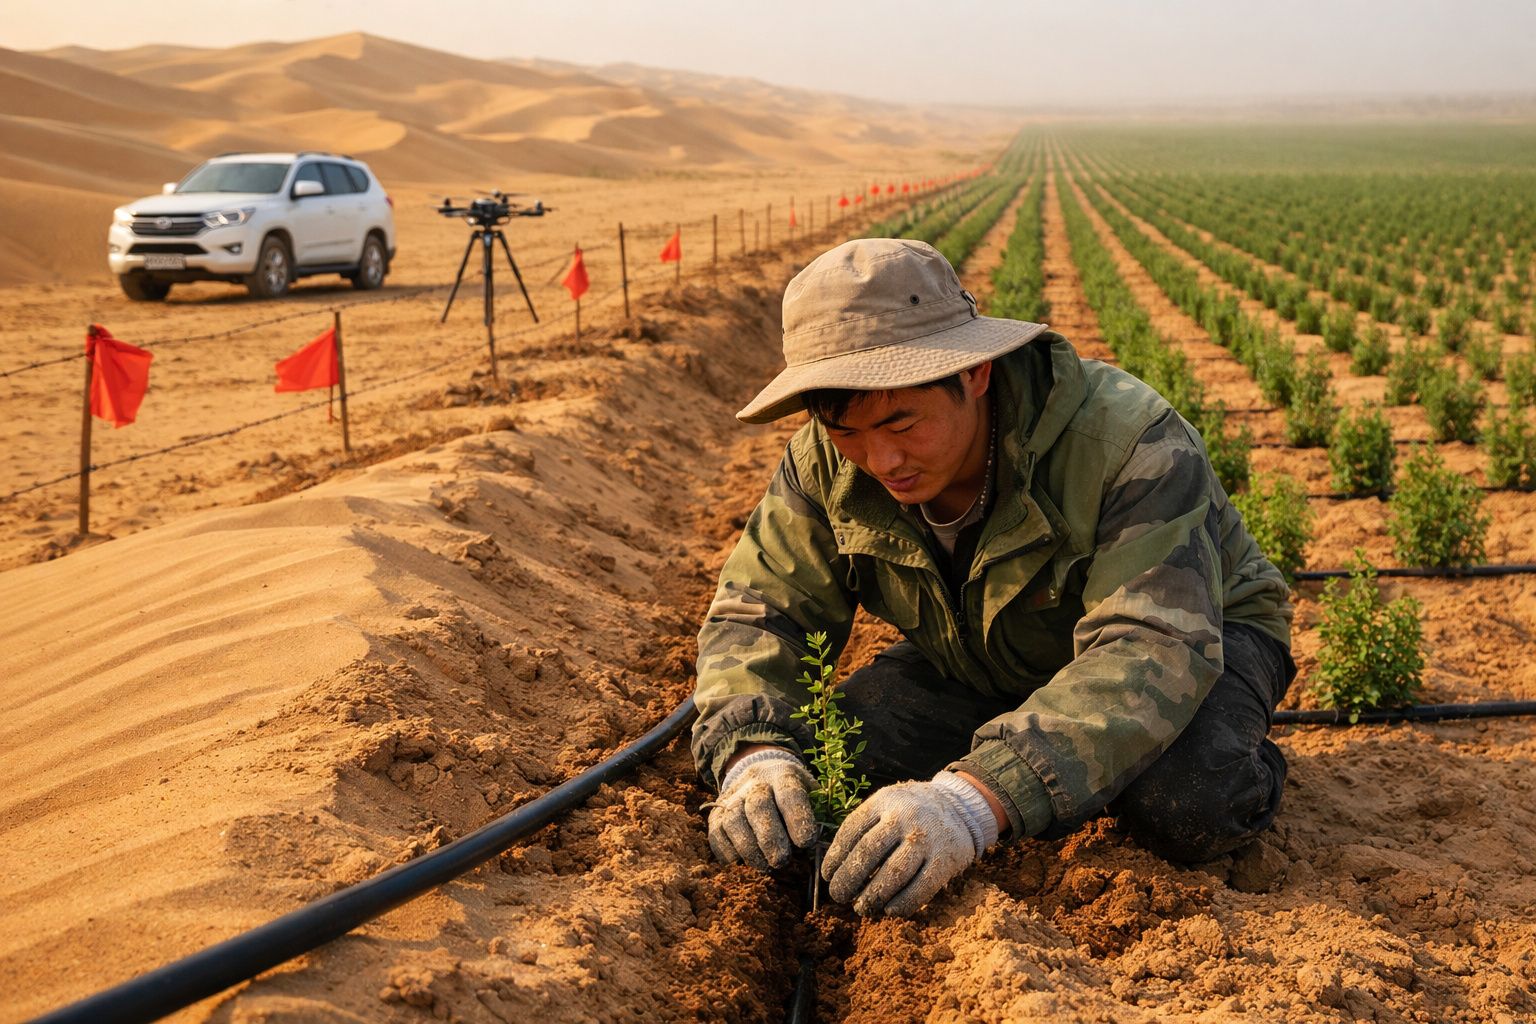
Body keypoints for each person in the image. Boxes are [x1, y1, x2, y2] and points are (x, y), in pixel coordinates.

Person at [691, 237, 1295, 918]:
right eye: (846, 431)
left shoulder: (1129, 442)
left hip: (1200, 636)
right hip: (980, 653)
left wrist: (970, 802)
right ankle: (1036, 751)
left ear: (974, 373)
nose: (882, 460)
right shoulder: (825, 465)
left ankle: (1237, 747)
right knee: (837, 768)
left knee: (1185, 801)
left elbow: (1150, 644)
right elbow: (761, 610)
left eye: (902, 423)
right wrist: (754, 755)